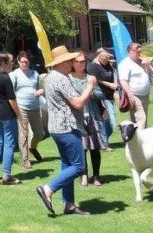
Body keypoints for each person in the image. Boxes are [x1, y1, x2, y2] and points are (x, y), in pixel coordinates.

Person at [36, 45, 97, 217]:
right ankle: (48, 189)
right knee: (78, 166)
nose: (72, 62)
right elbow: (77, 103)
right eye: (70, 60)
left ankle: (69, 204)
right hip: (67, 128)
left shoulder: (51, 77)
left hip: (56, 128)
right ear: (63, 62)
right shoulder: (61, 79)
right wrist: (89, 86)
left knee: (67, 165)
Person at [0, 53, 22, 185]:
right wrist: (19, 115)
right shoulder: (5, 78)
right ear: (4, 62)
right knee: (9, 143)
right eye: (11, 61)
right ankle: (7, 175)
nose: (13, 64)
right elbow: (11, 100)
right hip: (7, 114)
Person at [71, 52, 105, 187]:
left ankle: (96, 176)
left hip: (93, 116)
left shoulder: (91, 78)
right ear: (73, 63)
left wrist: (91, 92)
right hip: (77, 117)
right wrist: (85, 92)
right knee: (81, 148)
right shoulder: (69, 79)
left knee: (94, 148)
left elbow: (100, 93)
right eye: (78, 61)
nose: (81, 64)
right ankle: (83, 175)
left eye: (83, 61)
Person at [10, 51, 45, 168]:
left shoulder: (35, 74)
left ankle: (32, 147)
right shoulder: (14, 75)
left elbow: (40, 88)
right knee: (23, 135)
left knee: (40, 134)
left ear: (29, 62)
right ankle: (25, 160)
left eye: (27, 61)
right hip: (21, 107)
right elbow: (10, 93)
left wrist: (40, 91)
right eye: (22, 62)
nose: (25, 64)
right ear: (18, 62)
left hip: (35, 107)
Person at [118, 42, 153, 128]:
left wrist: (148, 66)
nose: (138, 54)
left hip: (145, 94)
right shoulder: (125, 64)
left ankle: (139, 137)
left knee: (142, 118)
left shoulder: (142, 62)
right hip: (134, 95)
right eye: (136, 52)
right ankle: (140, 135)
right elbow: (123, 81)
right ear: (129, 52)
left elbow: (152, 75)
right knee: (141, 117)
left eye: (139, 52)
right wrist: (130, 95)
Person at [87, 48, 117, 149]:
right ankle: (103, 143)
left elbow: (113, 76)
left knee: (109, 123)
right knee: (109, 122)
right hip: (100, 98)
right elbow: (94, 81)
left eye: (108, 57)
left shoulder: (108, 66)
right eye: (105, 56)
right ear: (99, 56)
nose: (107, 58)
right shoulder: (93, 67)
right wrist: (108, 84)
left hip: (109, 97)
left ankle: (102, 141)